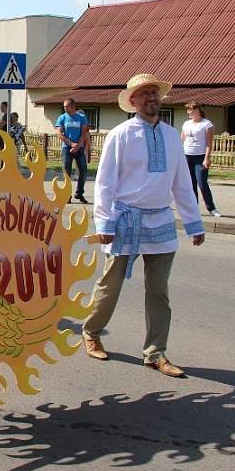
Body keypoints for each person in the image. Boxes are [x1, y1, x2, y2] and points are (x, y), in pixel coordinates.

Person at [83, 74, 205, 377]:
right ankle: (91, 331)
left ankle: (155, 353)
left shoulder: (169, 135)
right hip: (124, 220)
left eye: (154, 93)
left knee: (159, 291)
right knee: (110, 285)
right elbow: (105, 182)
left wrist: (193, 222)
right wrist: (105, 221)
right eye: (144, 94)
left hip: (160, 221)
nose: (151, 98)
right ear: (133, 101)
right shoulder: (121, 135)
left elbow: (182, 182)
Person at [181, 101, 222, 217]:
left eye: (191, 110)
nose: (189, 112)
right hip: (187, 155)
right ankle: (193, 208)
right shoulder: (186, 124)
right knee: (190, 184)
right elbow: (182, 140)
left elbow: (209, 143)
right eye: (188, 110)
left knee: (202, 183)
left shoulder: (207, 124)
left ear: (197, 110)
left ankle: (211, 208)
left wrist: (207, 158)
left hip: (200, 157)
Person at [55, 98, 90, 204]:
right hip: (66, 148)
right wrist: (71, 144)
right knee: (67, 172)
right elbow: (59, 134)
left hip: (79, 148)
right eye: (64, 107)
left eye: (67, 107)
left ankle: (79, 193)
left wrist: (77, 146)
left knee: (83, 171)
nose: (65, 108)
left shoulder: (82, 118)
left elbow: (84, 133)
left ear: (73, 106)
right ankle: (67, 195)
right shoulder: (62, 118)